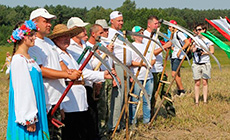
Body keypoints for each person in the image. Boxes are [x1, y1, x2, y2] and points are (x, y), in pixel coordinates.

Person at [48, 24, 114, 139]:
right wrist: (61, 106)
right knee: (72, 133)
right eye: (62, 37)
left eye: (68, 36)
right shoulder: (57, 55)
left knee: (84, 131)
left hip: (80, 100)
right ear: (55, 39)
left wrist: (102, 74)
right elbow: (62, 78)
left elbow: (82, 72)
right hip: (69, 99)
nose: (66, 39)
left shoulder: (70, 54)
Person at [28, 8, 82, 140]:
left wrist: (69, 71)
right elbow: (41, 70)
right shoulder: (32, 44)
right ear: (34, 23)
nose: (49, 24)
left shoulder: (49, 42)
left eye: (50, 21)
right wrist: (67, 75)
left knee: (56, 136)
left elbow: (60, 63)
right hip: (44, 99)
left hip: (56, 99)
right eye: (45, 21)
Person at [7, 20, 50, 140]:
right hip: (28, 113)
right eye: (31, 35)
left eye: (34, 34)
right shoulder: (19, 60)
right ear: (22, 37)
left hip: (37, 108)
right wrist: (29, 118)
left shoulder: (30, 59)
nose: (34, 37)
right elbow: (23, 90)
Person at [142, 15, 175, 117]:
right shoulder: (145, 37)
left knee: (165, 92)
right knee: (151, 95)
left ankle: (171, 114)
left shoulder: (156, 35)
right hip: (152, 71)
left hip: (160, 68)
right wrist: (165, 46)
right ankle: (150, 116)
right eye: (155, 24)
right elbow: (150, 53)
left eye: (158, 24)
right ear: (149, 24)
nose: (157, 26)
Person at [107, 11, 132, 132]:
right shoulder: (110, 34)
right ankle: (114, 125)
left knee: (124, 97)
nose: (121, 23)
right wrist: (113, 74)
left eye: (122, 20)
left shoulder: (119, 33)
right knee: (118, 97)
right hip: (117, 66)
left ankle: (121, 122)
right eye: (119, 20)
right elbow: (109, 54)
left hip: (125, 67)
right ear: (112, 21)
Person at [129, 26, 155, 124]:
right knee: (134, 100)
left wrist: (150, 63)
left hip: (148, 77)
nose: (141, 35)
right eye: (139, 33)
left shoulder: (147, 44)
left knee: (147, 100)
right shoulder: (131, 46)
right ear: (134, 36)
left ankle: (147, 121)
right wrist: (142, 64)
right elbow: (130, 62)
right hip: (137, 76)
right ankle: (133, 122)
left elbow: (153, 58)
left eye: (142, 32)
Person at [191, 23, 214, 105]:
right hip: (196, 63)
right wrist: (193, 49)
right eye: (197, 30)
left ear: (204, 30)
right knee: (197, 82)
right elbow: (191, 48)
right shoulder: (195, 39)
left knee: (205, 82)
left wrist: (204, 53)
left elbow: (212, 51)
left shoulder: (208, 40)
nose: (198, 31)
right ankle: (196, 101)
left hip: (205, 63)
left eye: (200, 29)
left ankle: (205, 101)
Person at [169, 20, 190, 97]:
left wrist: (180, 51)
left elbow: (187, 42)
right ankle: (179, 90)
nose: (169, 28)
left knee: (174, 74)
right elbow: (173, 43)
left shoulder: (179, 33)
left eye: (170, 26)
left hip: (179, 56)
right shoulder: (173, 34)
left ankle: (182, 90)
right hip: (174, 55)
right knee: (177, 74)